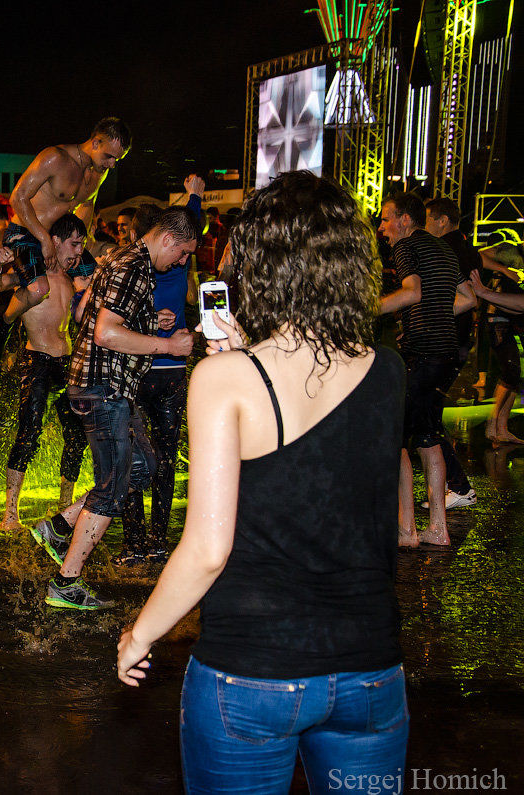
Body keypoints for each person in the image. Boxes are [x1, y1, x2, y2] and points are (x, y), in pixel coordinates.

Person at [116, 171, 408, 795]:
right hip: (372, 671)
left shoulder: (225, 382)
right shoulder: (389, 369)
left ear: (259, 266)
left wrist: (140, 634)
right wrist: (245, 352)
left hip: (252, 675)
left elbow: (207, 549)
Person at [31, 206, 198, 610]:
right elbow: (105, 333)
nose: (183, 262)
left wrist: (146, 320)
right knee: (111, 487)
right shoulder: (134, 268)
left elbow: (94, 316)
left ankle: (59, 525)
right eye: (183, 253)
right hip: (102, 387)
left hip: (109, 386)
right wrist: (169, 345)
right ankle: (66, 583)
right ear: (169, 240)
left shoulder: (125, 262)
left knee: (143, 466)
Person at [0, 118, 130, 366]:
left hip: (60, 236)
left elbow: (87, 203)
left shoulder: (99, 172)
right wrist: (43, 238)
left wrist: (79, 240)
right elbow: (18, 198)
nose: (112, 164)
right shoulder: (55, 158)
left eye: (117, 159)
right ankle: (3, 324)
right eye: (109, 156)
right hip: (27, 232)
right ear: (94, 142)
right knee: (39, 288)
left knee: (99, 280)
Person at [377, 193, 476, 547]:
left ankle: (407, 531)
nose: (382, 227)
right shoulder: (445, 248)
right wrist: (433, 320)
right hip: (446, 353)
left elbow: (412, 292)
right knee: (429, 437)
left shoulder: (405, 247)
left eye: (387, 218)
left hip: (420, 354)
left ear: (404, 219)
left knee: (397, 439)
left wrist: (364, 309)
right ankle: (438, 528)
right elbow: (467, 299)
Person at [116, 177, 205, 565]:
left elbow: (185, 230)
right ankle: (156, 540)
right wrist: (196, 195)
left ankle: (134, 541)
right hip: (170, 371)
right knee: (165, 457)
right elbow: (190, 224)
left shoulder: (135, 265)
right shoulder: (175, 260)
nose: (183, 259)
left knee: (136, 455)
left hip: (142, 370)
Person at [0, 214, 88, 532]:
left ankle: (65, 507)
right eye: (74, 244)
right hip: (38, 363)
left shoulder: (73, 278)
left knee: (77, 437)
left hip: (67, 363)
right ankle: (10, 513)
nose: (78, 251)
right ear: (54, 242)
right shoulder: (34, 275)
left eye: (82, 245)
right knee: (29, 434)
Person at [421, 197, 481, 505]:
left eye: (428, 218)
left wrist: (429, 319)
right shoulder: (464, 247)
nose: (424, 224)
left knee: (426, 416)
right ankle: (454, 487)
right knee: (428, 415)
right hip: (454, 339)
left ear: (443, 220)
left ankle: (459, 487)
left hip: (445, 340)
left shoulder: (448, 249)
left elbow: (467, 298)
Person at [474, 234, 524, 445]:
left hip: (514, 317)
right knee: (511, 372)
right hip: (498, 317)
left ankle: (500, 427)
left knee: (513, 375)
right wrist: (504, 270)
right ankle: (493, 424)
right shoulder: (511, 250)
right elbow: (477, 256)